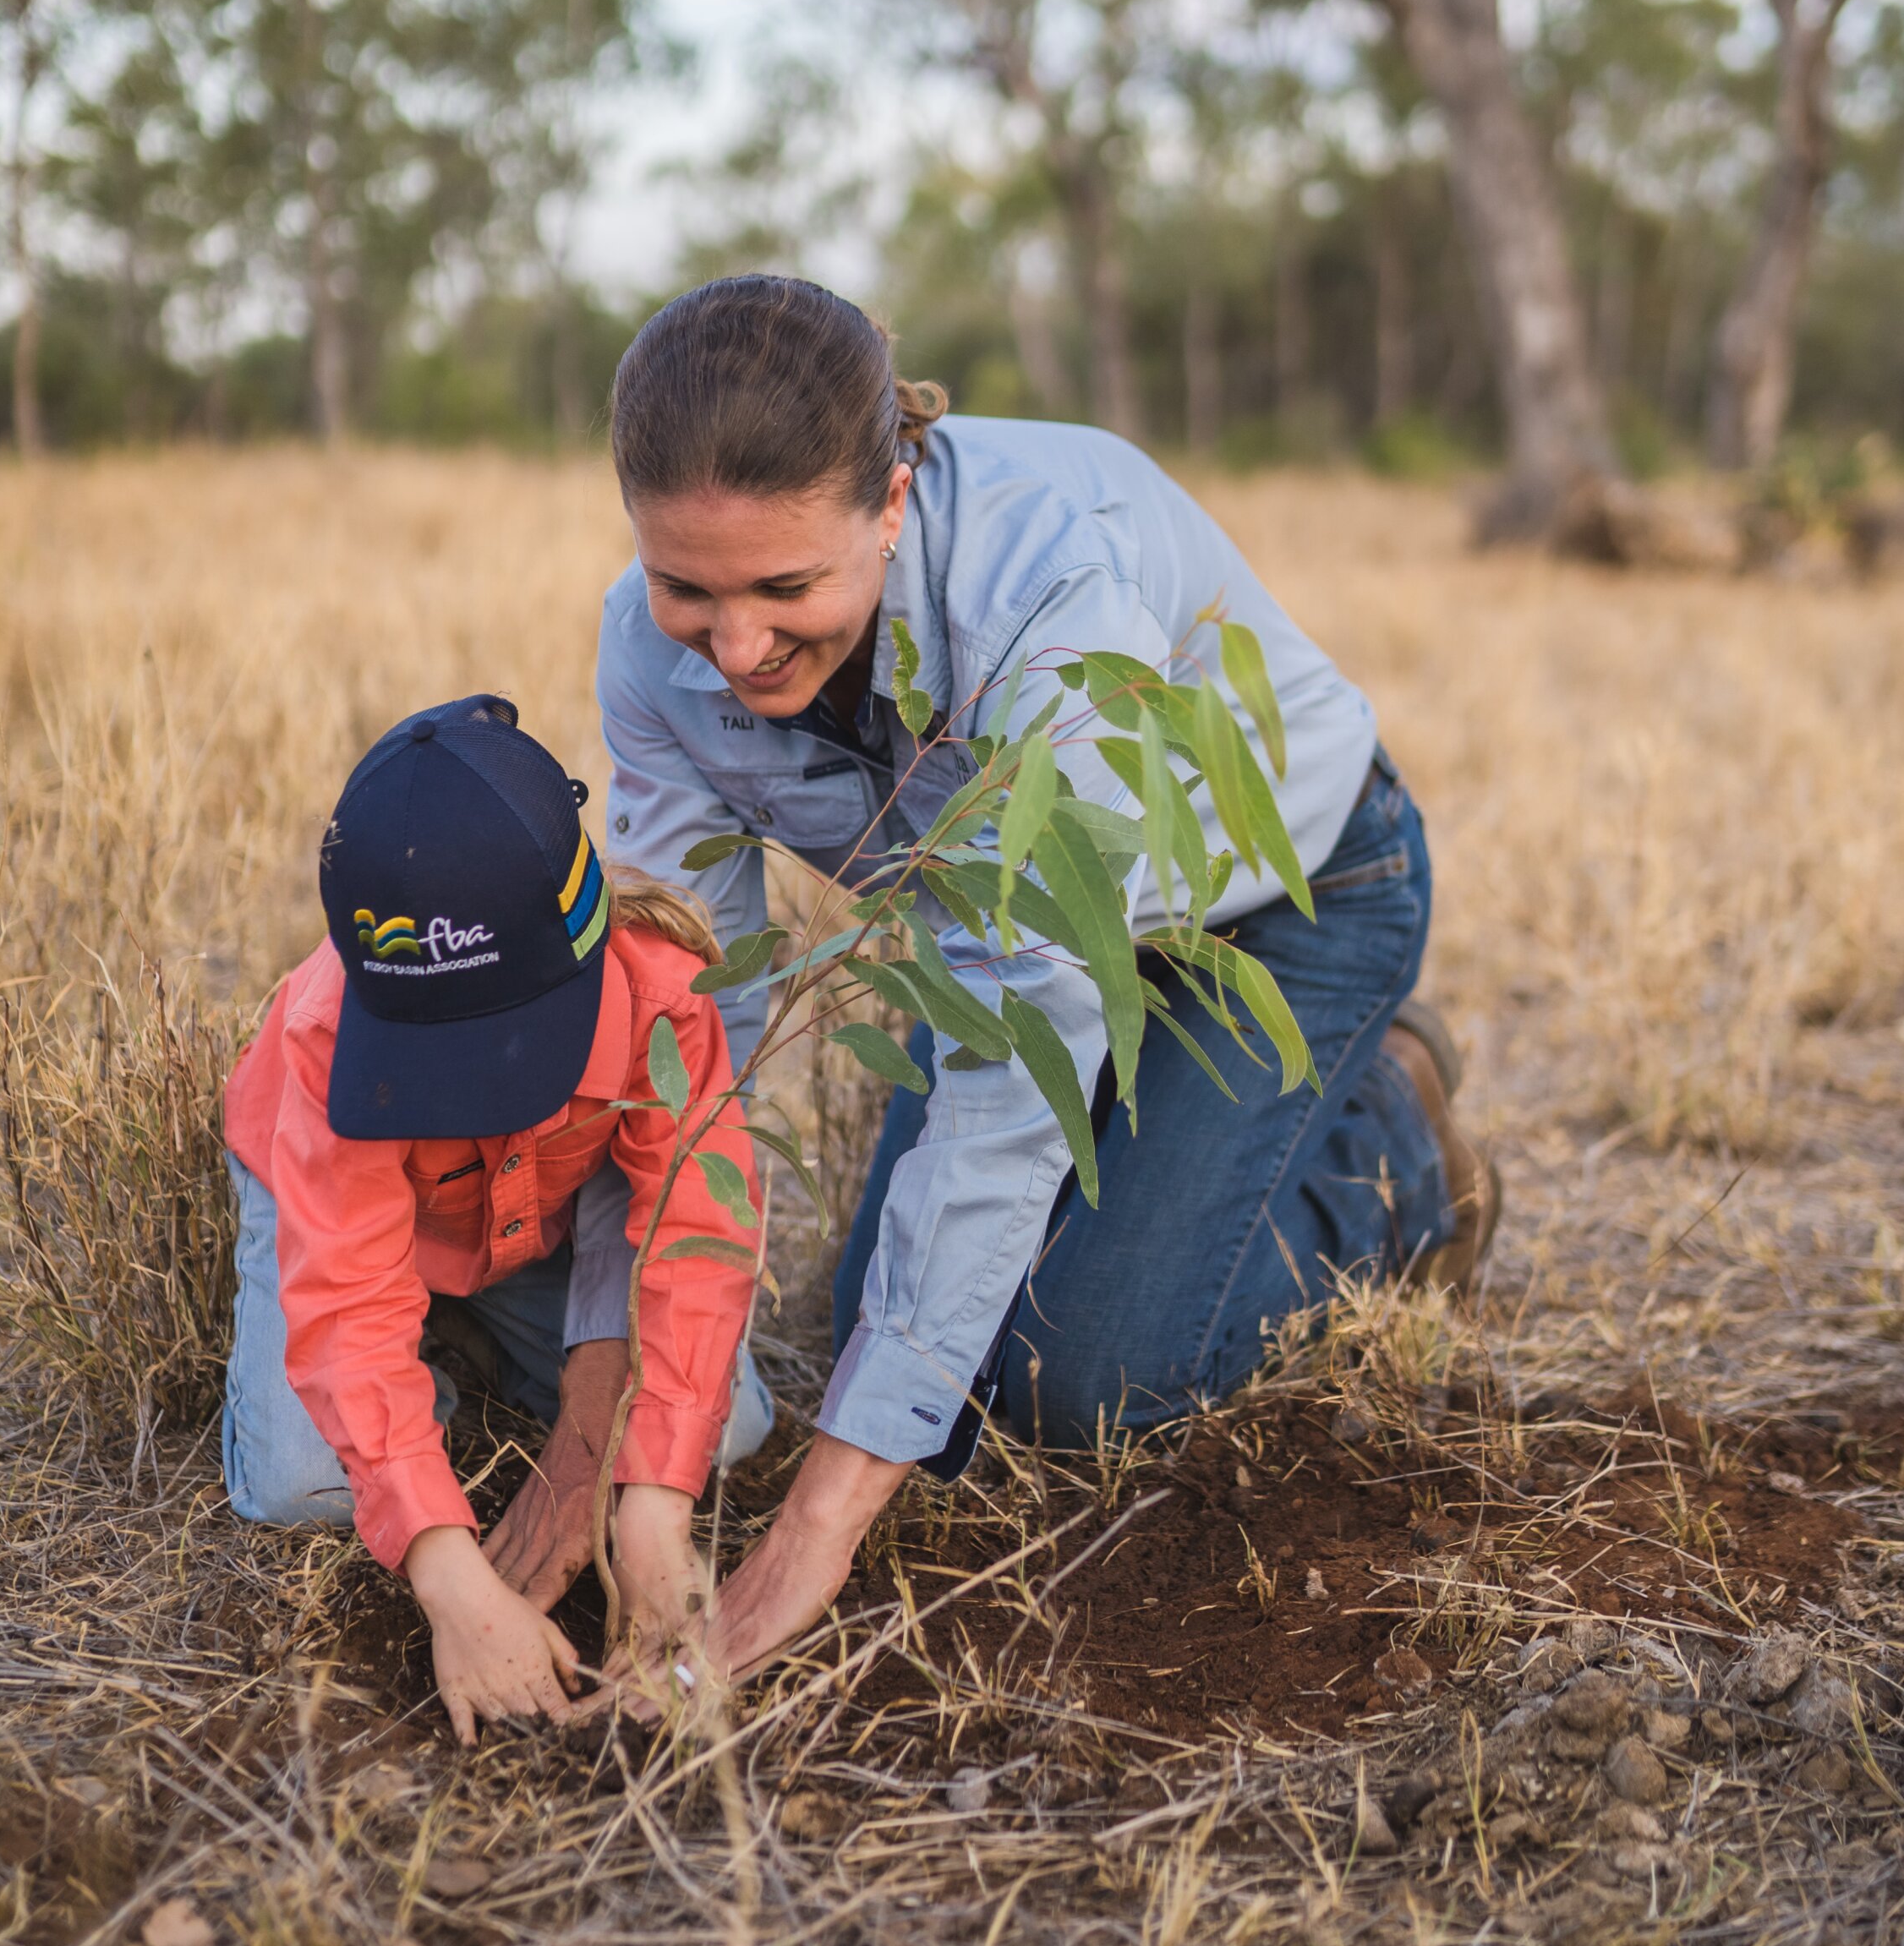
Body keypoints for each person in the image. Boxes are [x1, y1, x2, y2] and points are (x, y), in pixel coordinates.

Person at [598, 275, 1498, 1683]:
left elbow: (1017, 1062)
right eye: (684, 588)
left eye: (787, 588)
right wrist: (636, 1458)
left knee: (1090, 1382)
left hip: (1279, 911)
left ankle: (1391, 1142)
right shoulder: (646, 663)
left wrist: (815, 1532)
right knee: (885, 1350)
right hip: (1007, 949)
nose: (735, 647)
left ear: (892, 501)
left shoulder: (1044, 591)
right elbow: (688, 1022)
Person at [220, 692, 767, 1741]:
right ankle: (431, 1345)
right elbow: (342, 1293)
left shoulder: (663, 993)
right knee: (303, 1485)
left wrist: (649, 1519)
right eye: (445, 1063)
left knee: (723, 1428)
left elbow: (692, 1236)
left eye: (513, 1050)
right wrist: (451, 1581)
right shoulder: (322, 1040)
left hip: (535, 1222)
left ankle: (470, 1340)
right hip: (354, 1227)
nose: (484, 1093)